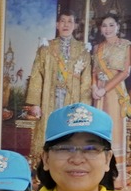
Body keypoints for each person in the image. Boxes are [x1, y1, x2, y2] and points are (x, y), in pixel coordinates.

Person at [24, 11, 92, 156]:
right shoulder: (46, 48)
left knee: (70, 131)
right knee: (50, 130)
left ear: (75, 25)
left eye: (70, 21)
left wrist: (84, 107)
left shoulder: (83, 50)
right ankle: (47, 163)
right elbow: (36, 76)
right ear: (57, 25)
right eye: (62, 21)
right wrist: (35, 103)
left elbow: (86, 81)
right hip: (50, 97)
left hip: (73, 98)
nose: (66, 25)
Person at [90, 12, 131, 155]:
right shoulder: (97, 48)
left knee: (113, 125)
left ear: (118, 27)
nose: (107, 29)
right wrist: (94, 87)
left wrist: (105, 89)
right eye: (104, 26)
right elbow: (94, 71)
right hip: (98, 93)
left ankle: (115, 163)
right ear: (100, 28)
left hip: (115, 92)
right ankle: (99, 162)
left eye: (111, 25)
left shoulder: (126, 45)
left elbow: (125, 72)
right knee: (99, 126)